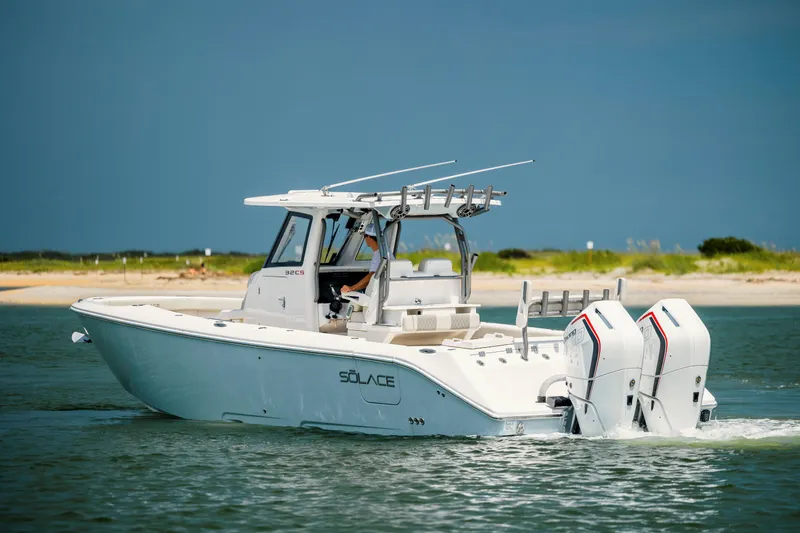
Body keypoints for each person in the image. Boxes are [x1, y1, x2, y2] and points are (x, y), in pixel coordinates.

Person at [341, 224, 393, 293]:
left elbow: (372, 276)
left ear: (368, 237)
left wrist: (352, 288)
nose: (364, 239)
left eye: (364, 236)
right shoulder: (384, 251)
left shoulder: (380, 255)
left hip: (380, 293)